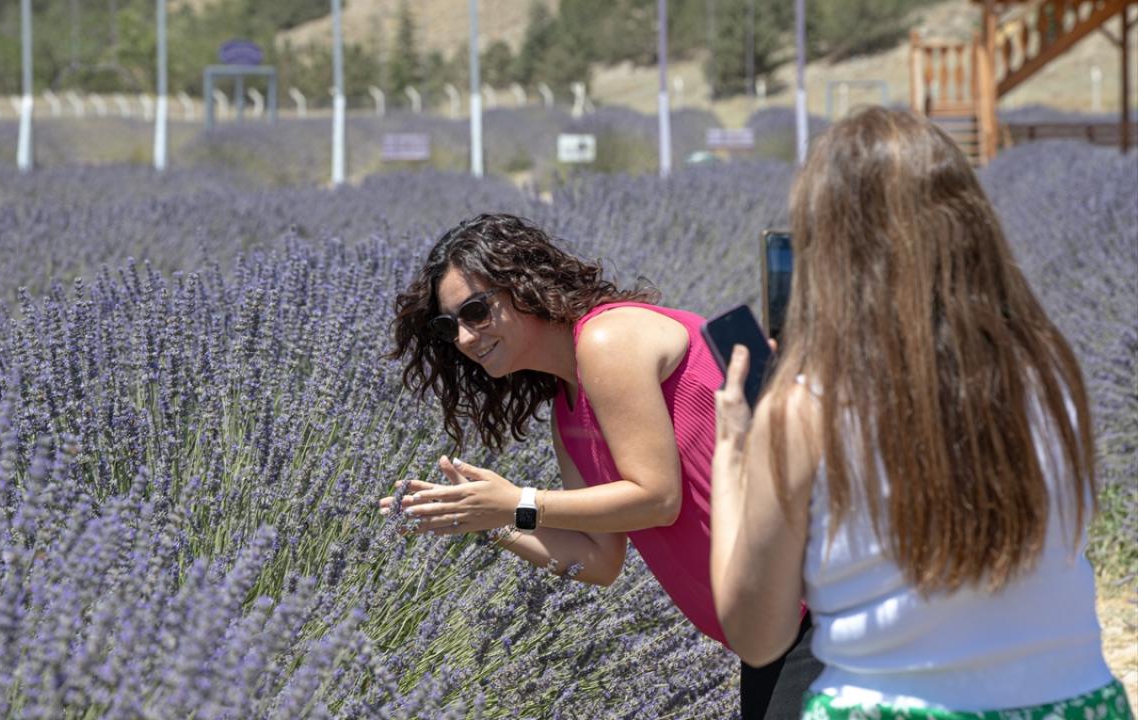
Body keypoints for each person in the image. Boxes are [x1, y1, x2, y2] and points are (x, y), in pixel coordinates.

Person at [709, 107, 1132, 719]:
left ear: (826, 253)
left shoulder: (806, 407)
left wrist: (733, 456)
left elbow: (756, 635)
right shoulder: (1047, 369)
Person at [377, 213, 821, 718]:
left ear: (523, 284)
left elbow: (657, 498)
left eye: (475, 311)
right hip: (767, 629)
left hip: (817, 602)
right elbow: (599, 561)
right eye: (448, 326)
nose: (462, 337)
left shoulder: (607, 340)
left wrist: (520, 501)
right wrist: (488, 518)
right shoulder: (568, 410)